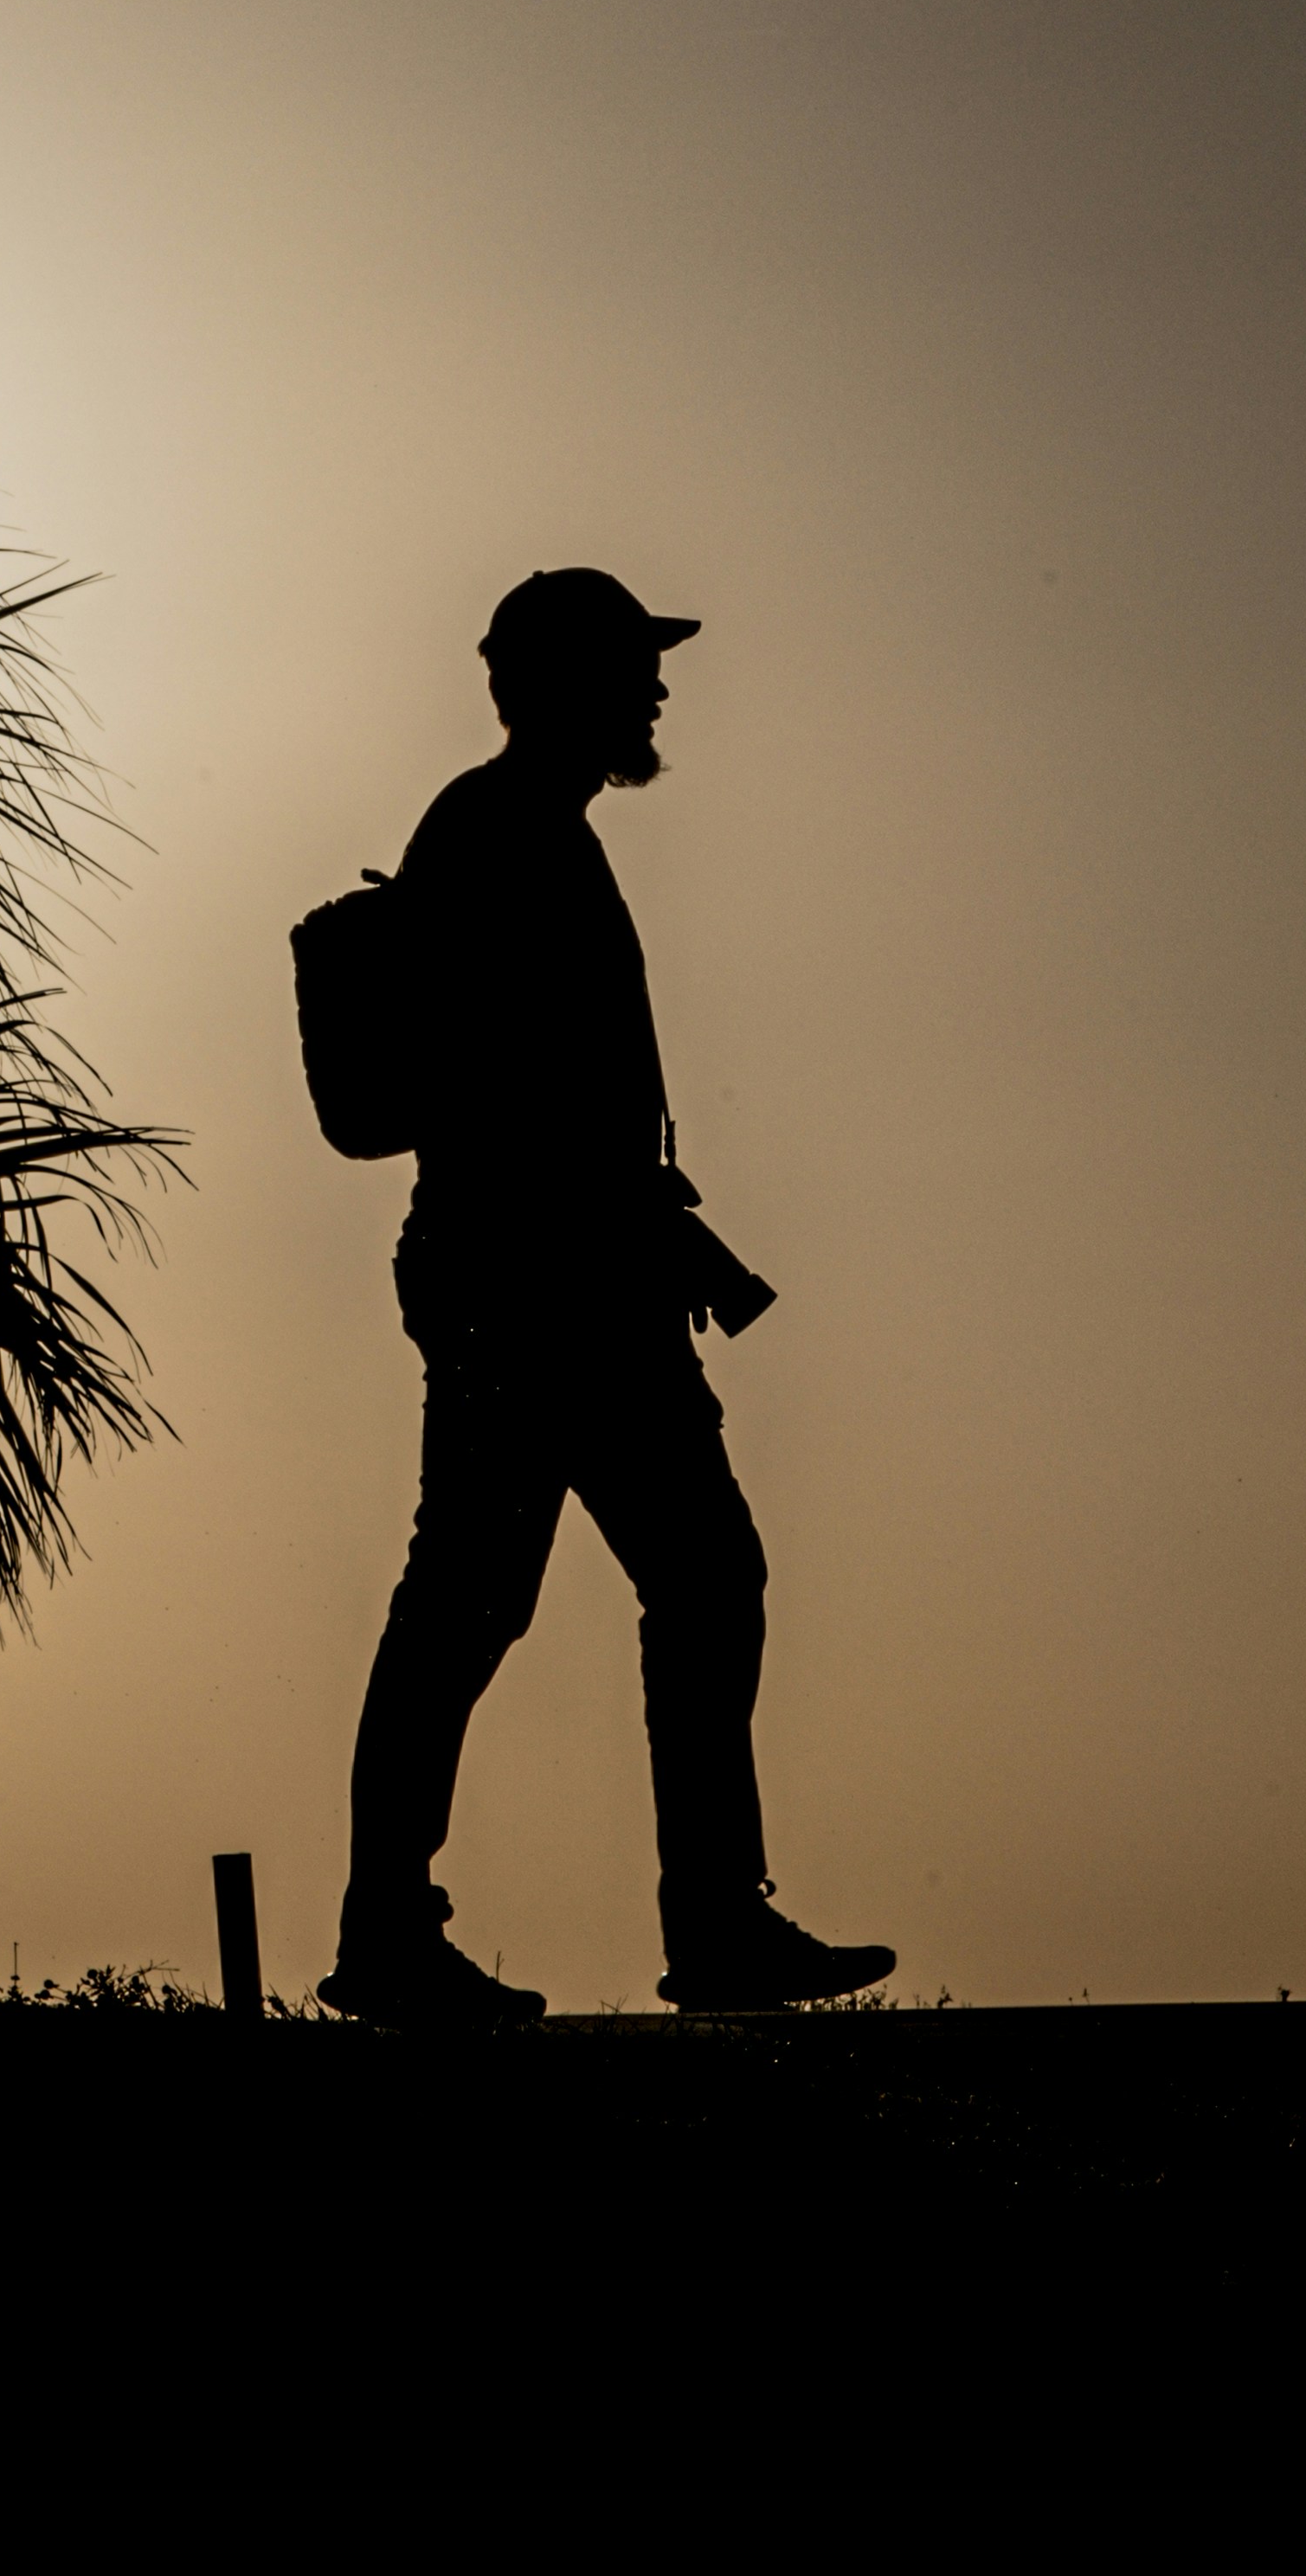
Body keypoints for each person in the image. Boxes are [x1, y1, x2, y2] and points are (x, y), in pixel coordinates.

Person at [317, 568, 897, 2027]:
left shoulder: (525, 833)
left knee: (608, 1589)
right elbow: (508, 1092)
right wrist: (629, 1228)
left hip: (560, 1279)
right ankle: (462, 1932)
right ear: (555, 683)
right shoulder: (501, 835)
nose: (654, 692)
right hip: (539, 1288)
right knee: (502, 1601)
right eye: (631, 667)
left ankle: (688, 1925)